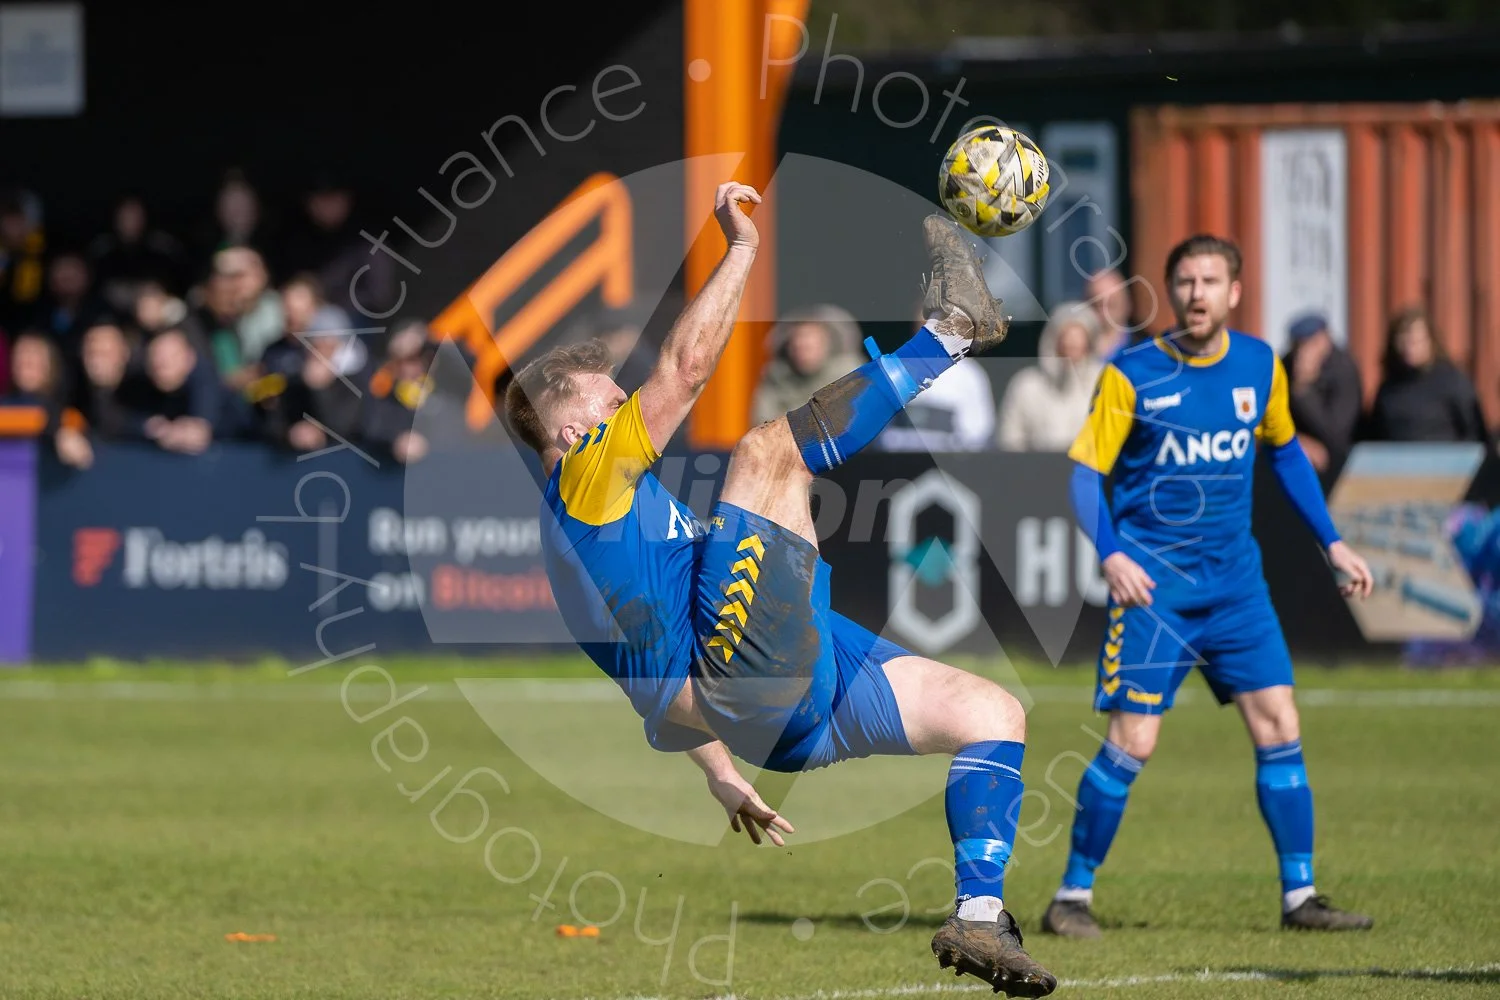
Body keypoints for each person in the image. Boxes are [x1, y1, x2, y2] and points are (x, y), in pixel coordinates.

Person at [505, 185, 1059, 997]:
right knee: (767, 452)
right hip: (756, 683)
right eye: (610, 398)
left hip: (784, 708)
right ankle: (952, 333)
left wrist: (720, 771)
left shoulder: (594, 537)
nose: (627, 402)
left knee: (993, 714)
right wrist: (741, 248)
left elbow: (651, 684)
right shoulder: (586, 481)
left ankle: (979, 917)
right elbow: (686, 370)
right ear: (572, 432)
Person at [1041, 234, 1377, 939]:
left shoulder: (1259, 365)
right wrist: (1111, 554)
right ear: (1171, 292)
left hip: (1236, 589)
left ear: (1235, 292)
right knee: (1133, 741)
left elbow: (1286, 454)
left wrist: (1334, 542)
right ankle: (1071, 896)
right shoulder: (1131, 372)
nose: (1197, 293)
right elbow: (1083, 476)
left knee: (1280, 723)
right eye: (1186, 281)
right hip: (1154, 593)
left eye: (1211, 281)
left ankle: (1300, 897)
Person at [1366, 306, 1488, 445]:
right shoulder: (1388, 389)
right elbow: (1373, 436)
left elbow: (1475, 433)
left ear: (1431, 341)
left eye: (1416, 341)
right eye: (1404, 341)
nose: (1410, 348)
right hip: (1396, 458)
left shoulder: (1453, 383)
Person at [995, 301, 1103, 452]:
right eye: (1066, 339)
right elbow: (1009, 441)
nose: (1071, 344)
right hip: (1035, 466)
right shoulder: (1026, 386)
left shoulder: (1104, 384)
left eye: (1078, 339)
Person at [749, 304, 864, 425]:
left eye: (809, 347)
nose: (803, 353)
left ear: (827, 345)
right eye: (798, 347)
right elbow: (762, 421)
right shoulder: (776, 377)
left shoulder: (849, 373)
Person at [1281, 312, 1363, 478]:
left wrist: (1304, 390)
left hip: (1339, 465)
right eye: (1300, 344)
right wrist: (1297, 442)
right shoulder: (1286, 365)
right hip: (1292, 455)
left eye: (1312, 343)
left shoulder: (1343, 369)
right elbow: (1270, 417)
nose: (1304, 352)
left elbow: (1336, 434)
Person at [1083, 267, 1132, 359]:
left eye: (1111, 304)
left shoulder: (1144, 349)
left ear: (1126, 305)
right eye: (1096, 305)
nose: (1103, 312)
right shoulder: (1069, 347)